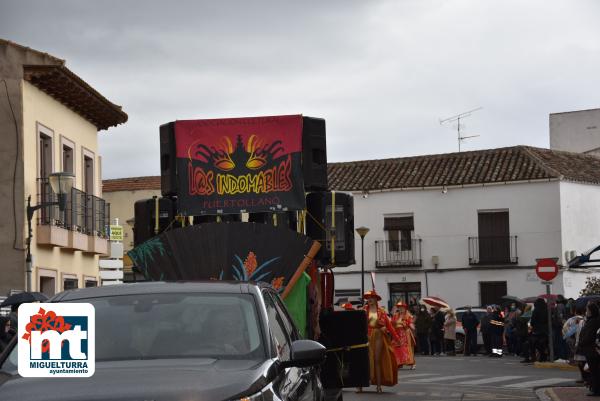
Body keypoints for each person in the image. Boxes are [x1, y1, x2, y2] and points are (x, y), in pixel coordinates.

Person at [360, 290, 399, 393]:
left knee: (377, 360)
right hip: (366, 337)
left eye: (372, 297)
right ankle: (360, 385)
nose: (369, 299)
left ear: (376, 299)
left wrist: (396, 338)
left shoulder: (381, 311)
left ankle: (378, 386)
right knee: (365, 360)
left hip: (378, 336)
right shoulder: (363, 310)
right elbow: (359, 325)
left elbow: (389, 326)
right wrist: (365, 322)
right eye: (368, 297)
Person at [576, 302, 600, 396]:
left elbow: (589, 336)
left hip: (591, 350)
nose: (586, 312)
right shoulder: (593, 320)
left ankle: (596, 390)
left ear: (591, 311)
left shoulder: (593, 321)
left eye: (587, 310)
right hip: (592, 349)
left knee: (594, 371)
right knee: (594, 370)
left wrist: (581, 343)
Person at [392, 301, 416, 369]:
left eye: (402, 307)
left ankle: (412, 363)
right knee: (397, 348)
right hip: (397, 333)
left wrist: (405, 324)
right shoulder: (395, 315)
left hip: (405, 334)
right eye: (399, 307)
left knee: (406, 348)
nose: (400, 309)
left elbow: (411, 325)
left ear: (405, 308)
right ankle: (399, 363)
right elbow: (392, 323)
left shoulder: (408, 315)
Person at [529, 298, 549, 362]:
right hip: (545, 330)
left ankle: (534, 357)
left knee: (534, 344)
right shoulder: (547, 310)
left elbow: (532, 321)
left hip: (537, 330)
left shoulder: (536, 310)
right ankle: (544, 357)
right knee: (544, 344)